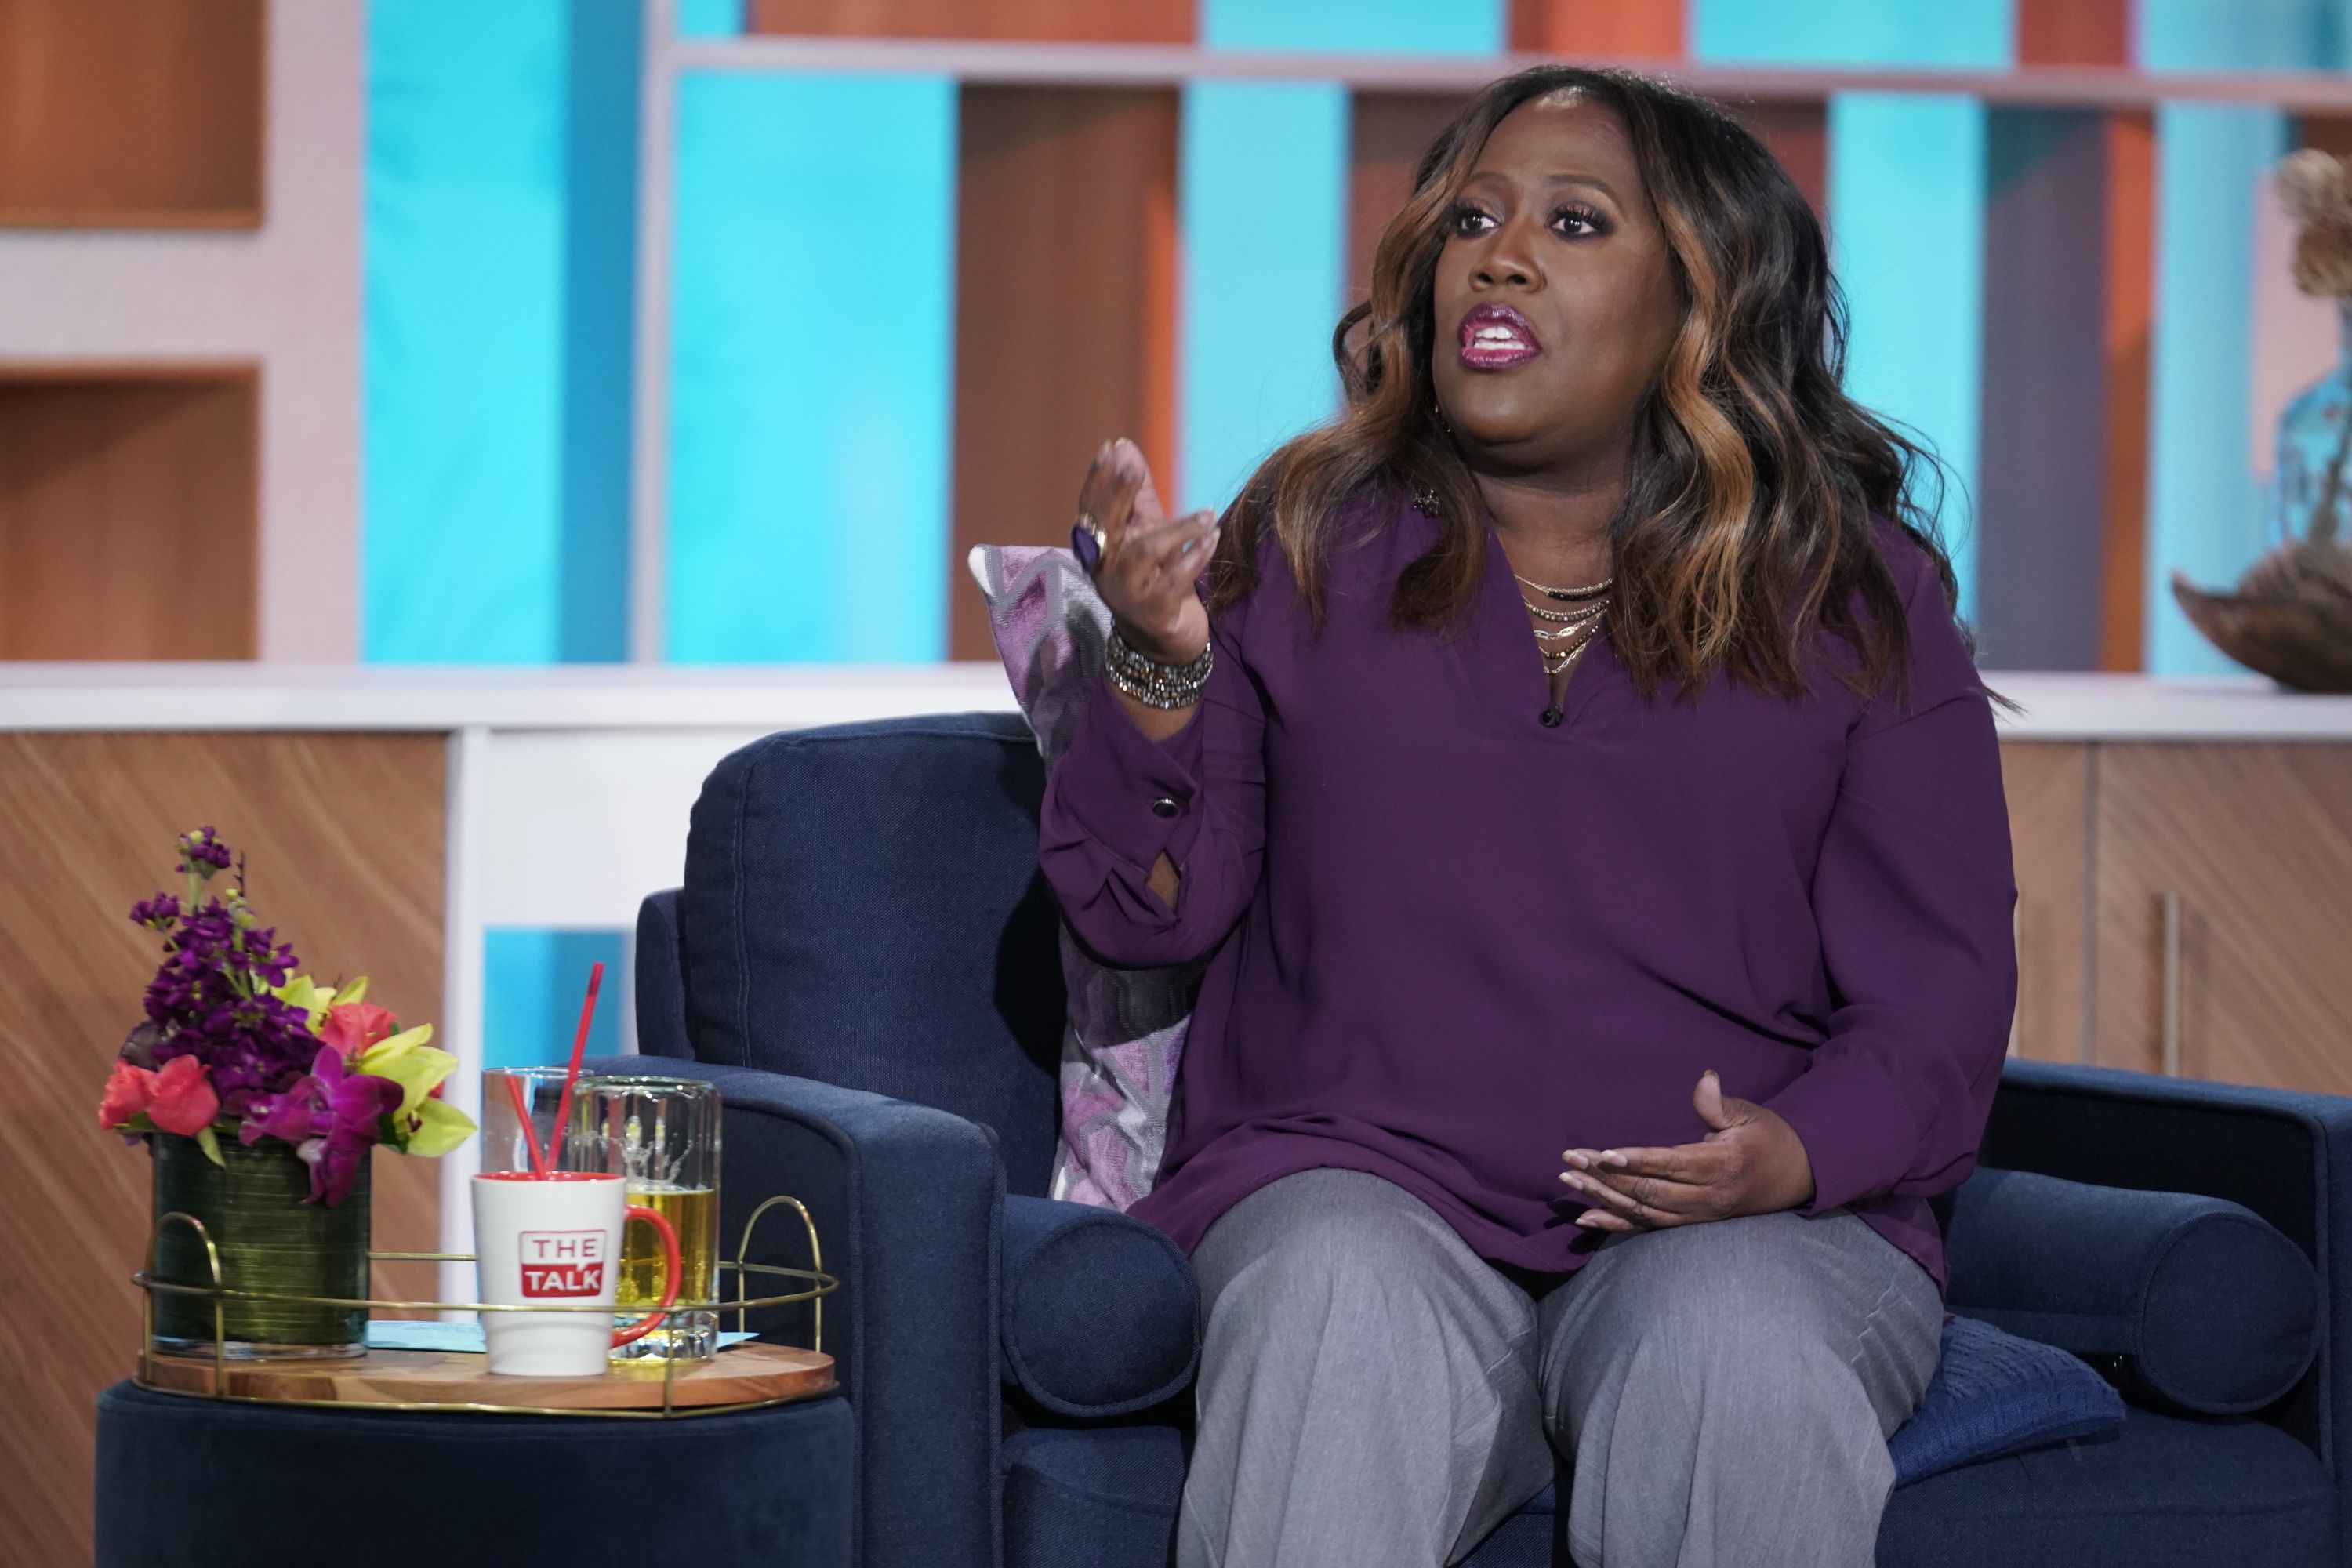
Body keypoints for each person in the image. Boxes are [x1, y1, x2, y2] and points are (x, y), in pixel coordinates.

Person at [1039, 64, 2018, 1568]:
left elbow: (1939, 992)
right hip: (1362, 1192)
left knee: (1732, 1353)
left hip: (1741, 1231)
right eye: (1472, 220)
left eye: (1573, 222)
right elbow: (1147, 910)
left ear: (1699, 305)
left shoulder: (1858, 594)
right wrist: (1157, 668)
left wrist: (1795, 1155)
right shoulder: (1301, 546)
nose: (1497, 256)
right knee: (1329, 1307)